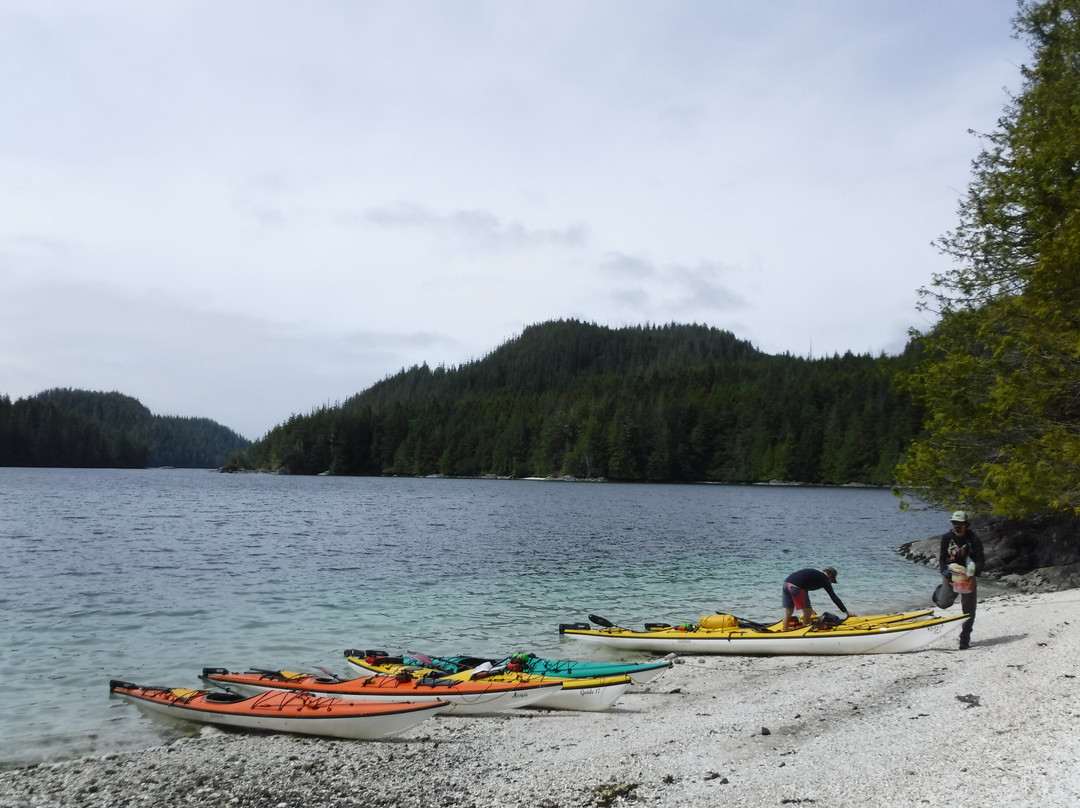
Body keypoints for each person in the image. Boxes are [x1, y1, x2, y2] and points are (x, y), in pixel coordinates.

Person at [938, 510, 985, 650]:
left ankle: (965, 639)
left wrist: (975, 573)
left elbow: (981, 561)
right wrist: (944, 571)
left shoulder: (974, 539)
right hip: (951, 575)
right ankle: (938, 593)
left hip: (968, 578)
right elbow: (941, 558)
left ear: (966, 524)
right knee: (943, 604)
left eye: (960, 524)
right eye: (954, 523)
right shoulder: (947, 538)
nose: (957, 526)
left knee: (969, 611)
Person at [781, 567, 857, 630]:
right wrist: (846, 612)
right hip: (796, 587)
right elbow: (834, 597)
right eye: (832, 580)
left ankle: (784, 632)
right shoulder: (825, 579)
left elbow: (804, 586)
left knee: (789, 612)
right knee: (807, 612)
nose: (831, 582)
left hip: (786, 584)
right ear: (830, 576)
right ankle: (805, 632)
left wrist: (810, 608)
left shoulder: (817, 575)